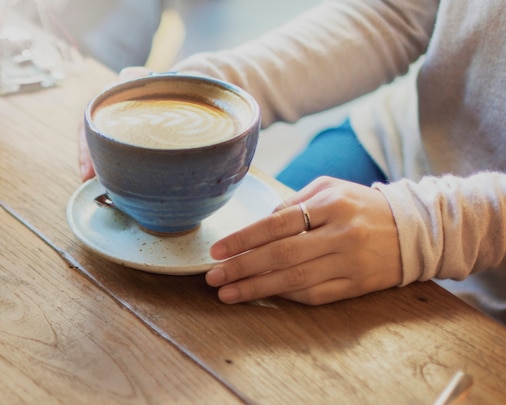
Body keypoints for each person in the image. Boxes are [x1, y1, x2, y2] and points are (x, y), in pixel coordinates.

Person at [78, 0, 506, 325]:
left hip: (478, 245)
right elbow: (394, 12)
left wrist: (433, 230)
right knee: (209, 300)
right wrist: (214, 86)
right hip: (393, 144)